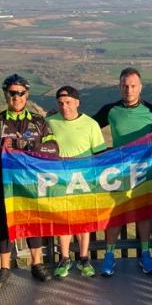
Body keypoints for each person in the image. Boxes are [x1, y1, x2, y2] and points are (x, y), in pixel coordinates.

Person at [93, 67, 152, 277]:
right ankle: (110, 255)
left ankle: (145, 253)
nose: (128, 90)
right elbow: (89, 128)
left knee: (144, 213)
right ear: (119, 86)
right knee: (113, 215)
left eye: (132, 86)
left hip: (144, 171)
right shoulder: (110, 110)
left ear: (140, 87)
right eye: (124, 85)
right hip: (118, 171)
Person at [0, 74, 60, 287]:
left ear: (27, 94)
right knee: (6, 225)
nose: (17, 97)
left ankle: (36, 264)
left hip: (32, 183)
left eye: (21, 93)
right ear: (6, 94)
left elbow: (53, 149)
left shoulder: (39, 121)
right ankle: (4, 269)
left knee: (33, 223)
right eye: (12, 93)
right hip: (5, 184)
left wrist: (31, 148)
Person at [46, 85, 107, 278]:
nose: (65, 107)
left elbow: (100, 155)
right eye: (61, 103)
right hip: (60, 181)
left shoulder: (91, 124)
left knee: (83, 222)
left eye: (68, 103)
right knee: (63, 221)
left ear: (77, 103)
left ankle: (83, 258)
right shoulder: (50, 122)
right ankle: (64, 258)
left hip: (84, 180)